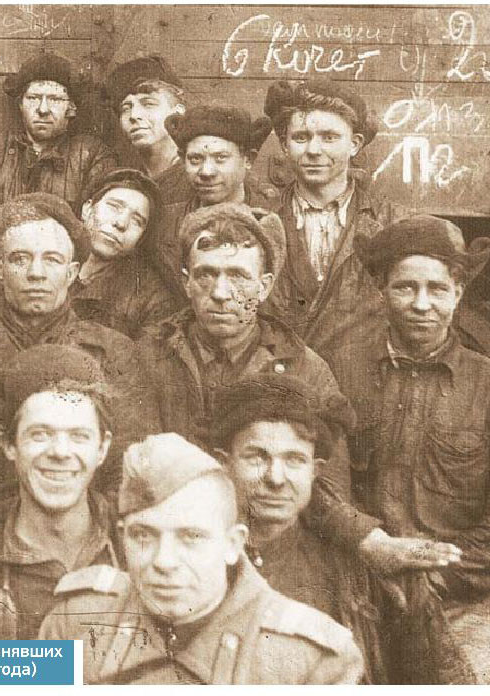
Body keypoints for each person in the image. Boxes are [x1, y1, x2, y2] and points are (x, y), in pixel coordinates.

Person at [140, 202, 417, 567]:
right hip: (172, 546)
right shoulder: (147, 356)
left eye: (238, 276)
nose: (220, 292)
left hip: (274, 553)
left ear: (265, 286)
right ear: (186, 282)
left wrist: (363, 537)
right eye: (206, 274)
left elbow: (327, 484)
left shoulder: (304, 369)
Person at [0, 192, 158, 545]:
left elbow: (130, 464)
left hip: (84, 539)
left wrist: (91, 542)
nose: (36, 273)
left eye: (52, 260)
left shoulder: (114, 351)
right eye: (20, 259)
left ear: (72, 273)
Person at [40, 433, 364, 684]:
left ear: (233, 544)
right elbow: (10, 677)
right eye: (143, 536)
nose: (164, 561)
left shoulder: (314, 658)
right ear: (123, 536)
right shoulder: (72, 619)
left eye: (191, 537)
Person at [329, 215, 490, 684]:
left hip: (461, 594)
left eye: (436, 289)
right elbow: (321, 484)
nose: (422, 304)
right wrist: (369, 544)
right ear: (382, 290)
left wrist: (427, 570)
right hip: (355, 575)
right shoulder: (341, 369)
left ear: (458, 293)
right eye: (405, 287)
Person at [0, 344, 120, 639]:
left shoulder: (132, 538)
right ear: (9, 445)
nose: (60, 452)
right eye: (40, 434)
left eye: (78, 436)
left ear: (102, 448)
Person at [211, 375, 387, 682]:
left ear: (315, 471)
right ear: (224, 463)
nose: (276, 478)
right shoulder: (194, 559)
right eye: (256, 457)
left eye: (294, 460)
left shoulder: (353, 569)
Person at [261, 79, 406, 362]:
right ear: (284, 145)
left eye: (329, 137)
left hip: (362, 377)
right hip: (280, 377)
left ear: (354, 144)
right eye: (301, 137)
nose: (314, 150)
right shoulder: (259, 221)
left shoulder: (394, 225)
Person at [144, 104, 280, 302]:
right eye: (195, 159)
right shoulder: (162, 225)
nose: (206, 171)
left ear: (248, 159)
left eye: (221, 158)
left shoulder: (275, 219)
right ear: (182, 160)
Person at [0, 51, 117, 212]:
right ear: (20, 104)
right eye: (33, 98)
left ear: (71, 107)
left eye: (55, 99)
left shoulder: (91, 154)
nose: (43, 109)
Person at [72, 167, 180, 339]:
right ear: (87, 208)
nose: (121, 223)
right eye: (114, 207)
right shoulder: (45, 260)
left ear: (141, 238)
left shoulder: (151, 298)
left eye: (137, 221)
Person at [102, 55, 190, 205]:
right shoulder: (123, 181)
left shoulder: (198, 177)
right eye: (126, 108)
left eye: (148, 104)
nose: (134, 115)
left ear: (178, 112)